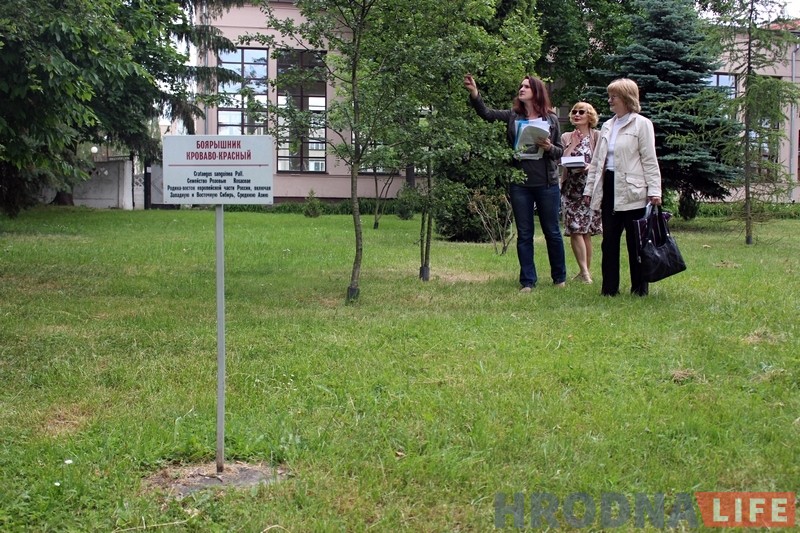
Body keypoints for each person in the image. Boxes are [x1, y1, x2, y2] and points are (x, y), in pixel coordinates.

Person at [463, 74, 567, 292]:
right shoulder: (513, 115)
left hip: (547, 183)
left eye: (526, 87)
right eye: (521, 86)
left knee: (552, 232)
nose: (521, 89)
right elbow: (487, 114)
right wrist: (475, 93)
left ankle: (559, 278)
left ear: (536, 91)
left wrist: (548, 148)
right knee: (525, 233)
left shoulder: (551, 119)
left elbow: (560, 152)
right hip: (520, 183)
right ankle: (527, 281)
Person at [583, 78, 662, 296]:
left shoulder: (642, 124)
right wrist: (590, 190)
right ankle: (609, 289)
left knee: (636, 243)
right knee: (609, 242)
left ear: (626, 98)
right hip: (609, 187)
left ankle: (639, 289)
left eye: (614, 96)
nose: (610, 100)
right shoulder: (608, 125)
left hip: (633, 190)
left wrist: (655, 191)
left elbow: (649, 159)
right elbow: (598, 162)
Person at [561, 102, 602, 284]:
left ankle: (584, 272)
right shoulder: (566, 136)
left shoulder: (597, 136)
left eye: (581, 112)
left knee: (585, 232)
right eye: (574, 112)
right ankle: (585, 273)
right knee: (575, 230)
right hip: (571, 189)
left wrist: (590, 167)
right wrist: (574, 144)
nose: (577, 114)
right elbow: (562, 159)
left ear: (590, 116)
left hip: (589, 189)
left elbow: (602, 161)